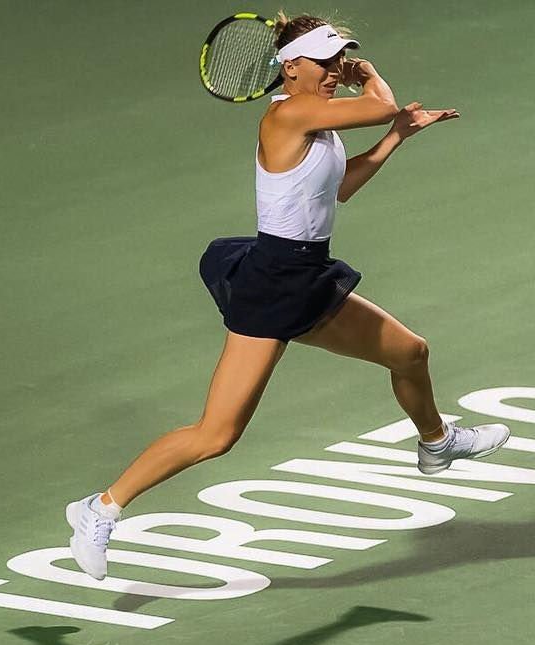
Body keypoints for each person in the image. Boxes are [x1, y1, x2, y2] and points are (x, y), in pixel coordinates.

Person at [65, 12, 511, 580]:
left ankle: (437, 443)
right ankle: (99, 509)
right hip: (274, 284)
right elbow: (380, 104)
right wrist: (370, 75)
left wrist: (396, 137)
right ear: (291, 67)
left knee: (410, 353)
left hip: (308, 277)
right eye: (325, 61)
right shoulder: (289, 114)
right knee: (216, 435)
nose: (335, 70)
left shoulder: (317, 123)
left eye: (340, 58)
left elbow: (338, 187)